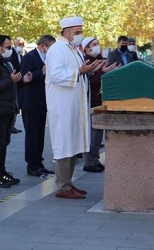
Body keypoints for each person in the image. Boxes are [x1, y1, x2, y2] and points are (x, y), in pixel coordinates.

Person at [45, 16, 104, 199]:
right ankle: (62, 186)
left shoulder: (72, 49)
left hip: (73, 105)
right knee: (64, 143)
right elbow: (55, 75)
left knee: (72, 143)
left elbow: (79, 72)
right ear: (66, 32)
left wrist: (90, 70)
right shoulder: (57, 49)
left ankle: (68, 183)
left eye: (81, 32)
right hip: (62, 106)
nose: (80, 35)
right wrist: (80, 71)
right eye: (77, 32)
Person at [0, 35, 32, 188]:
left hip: (8, 107)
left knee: (4, 142)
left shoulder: (6, 62)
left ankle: (2, 171)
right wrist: (11, 80)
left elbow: (12, 83)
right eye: (8, 47)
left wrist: (22, 81)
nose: (10, 50)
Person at [19, 35, 56, 177]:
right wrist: (41, 72)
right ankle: (32, 165)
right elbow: (25, 78)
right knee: (32, 134)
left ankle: (39, 162)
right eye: (50, 47)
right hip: (30, 102)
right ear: (42, 46)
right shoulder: (30, 57)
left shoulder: (48, 58)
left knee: (40, 134)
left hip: (43, 101)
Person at [81, 37, 116, 172]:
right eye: (94, 45)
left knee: (97, 135)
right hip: (91, 102)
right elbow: (89, 83)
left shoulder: (99, 60)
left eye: (97, 44)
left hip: (100, 101)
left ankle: (94, 159)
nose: (97, 47)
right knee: (91, 134)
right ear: (87, 49)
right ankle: (88, 162)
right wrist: (102, 72)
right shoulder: (86, 62)